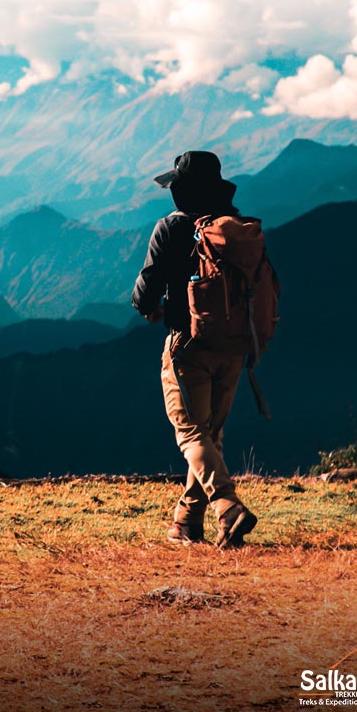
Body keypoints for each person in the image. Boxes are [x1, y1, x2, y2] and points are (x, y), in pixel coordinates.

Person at [131, 150, 258, 549]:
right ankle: (186, 523)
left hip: (188, 347)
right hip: (234, 348)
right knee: (210, 436)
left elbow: (144, 293)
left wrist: (153, 309)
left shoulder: (171, 228)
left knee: (190, 434)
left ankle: (228, 508)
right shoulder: (235, 230)